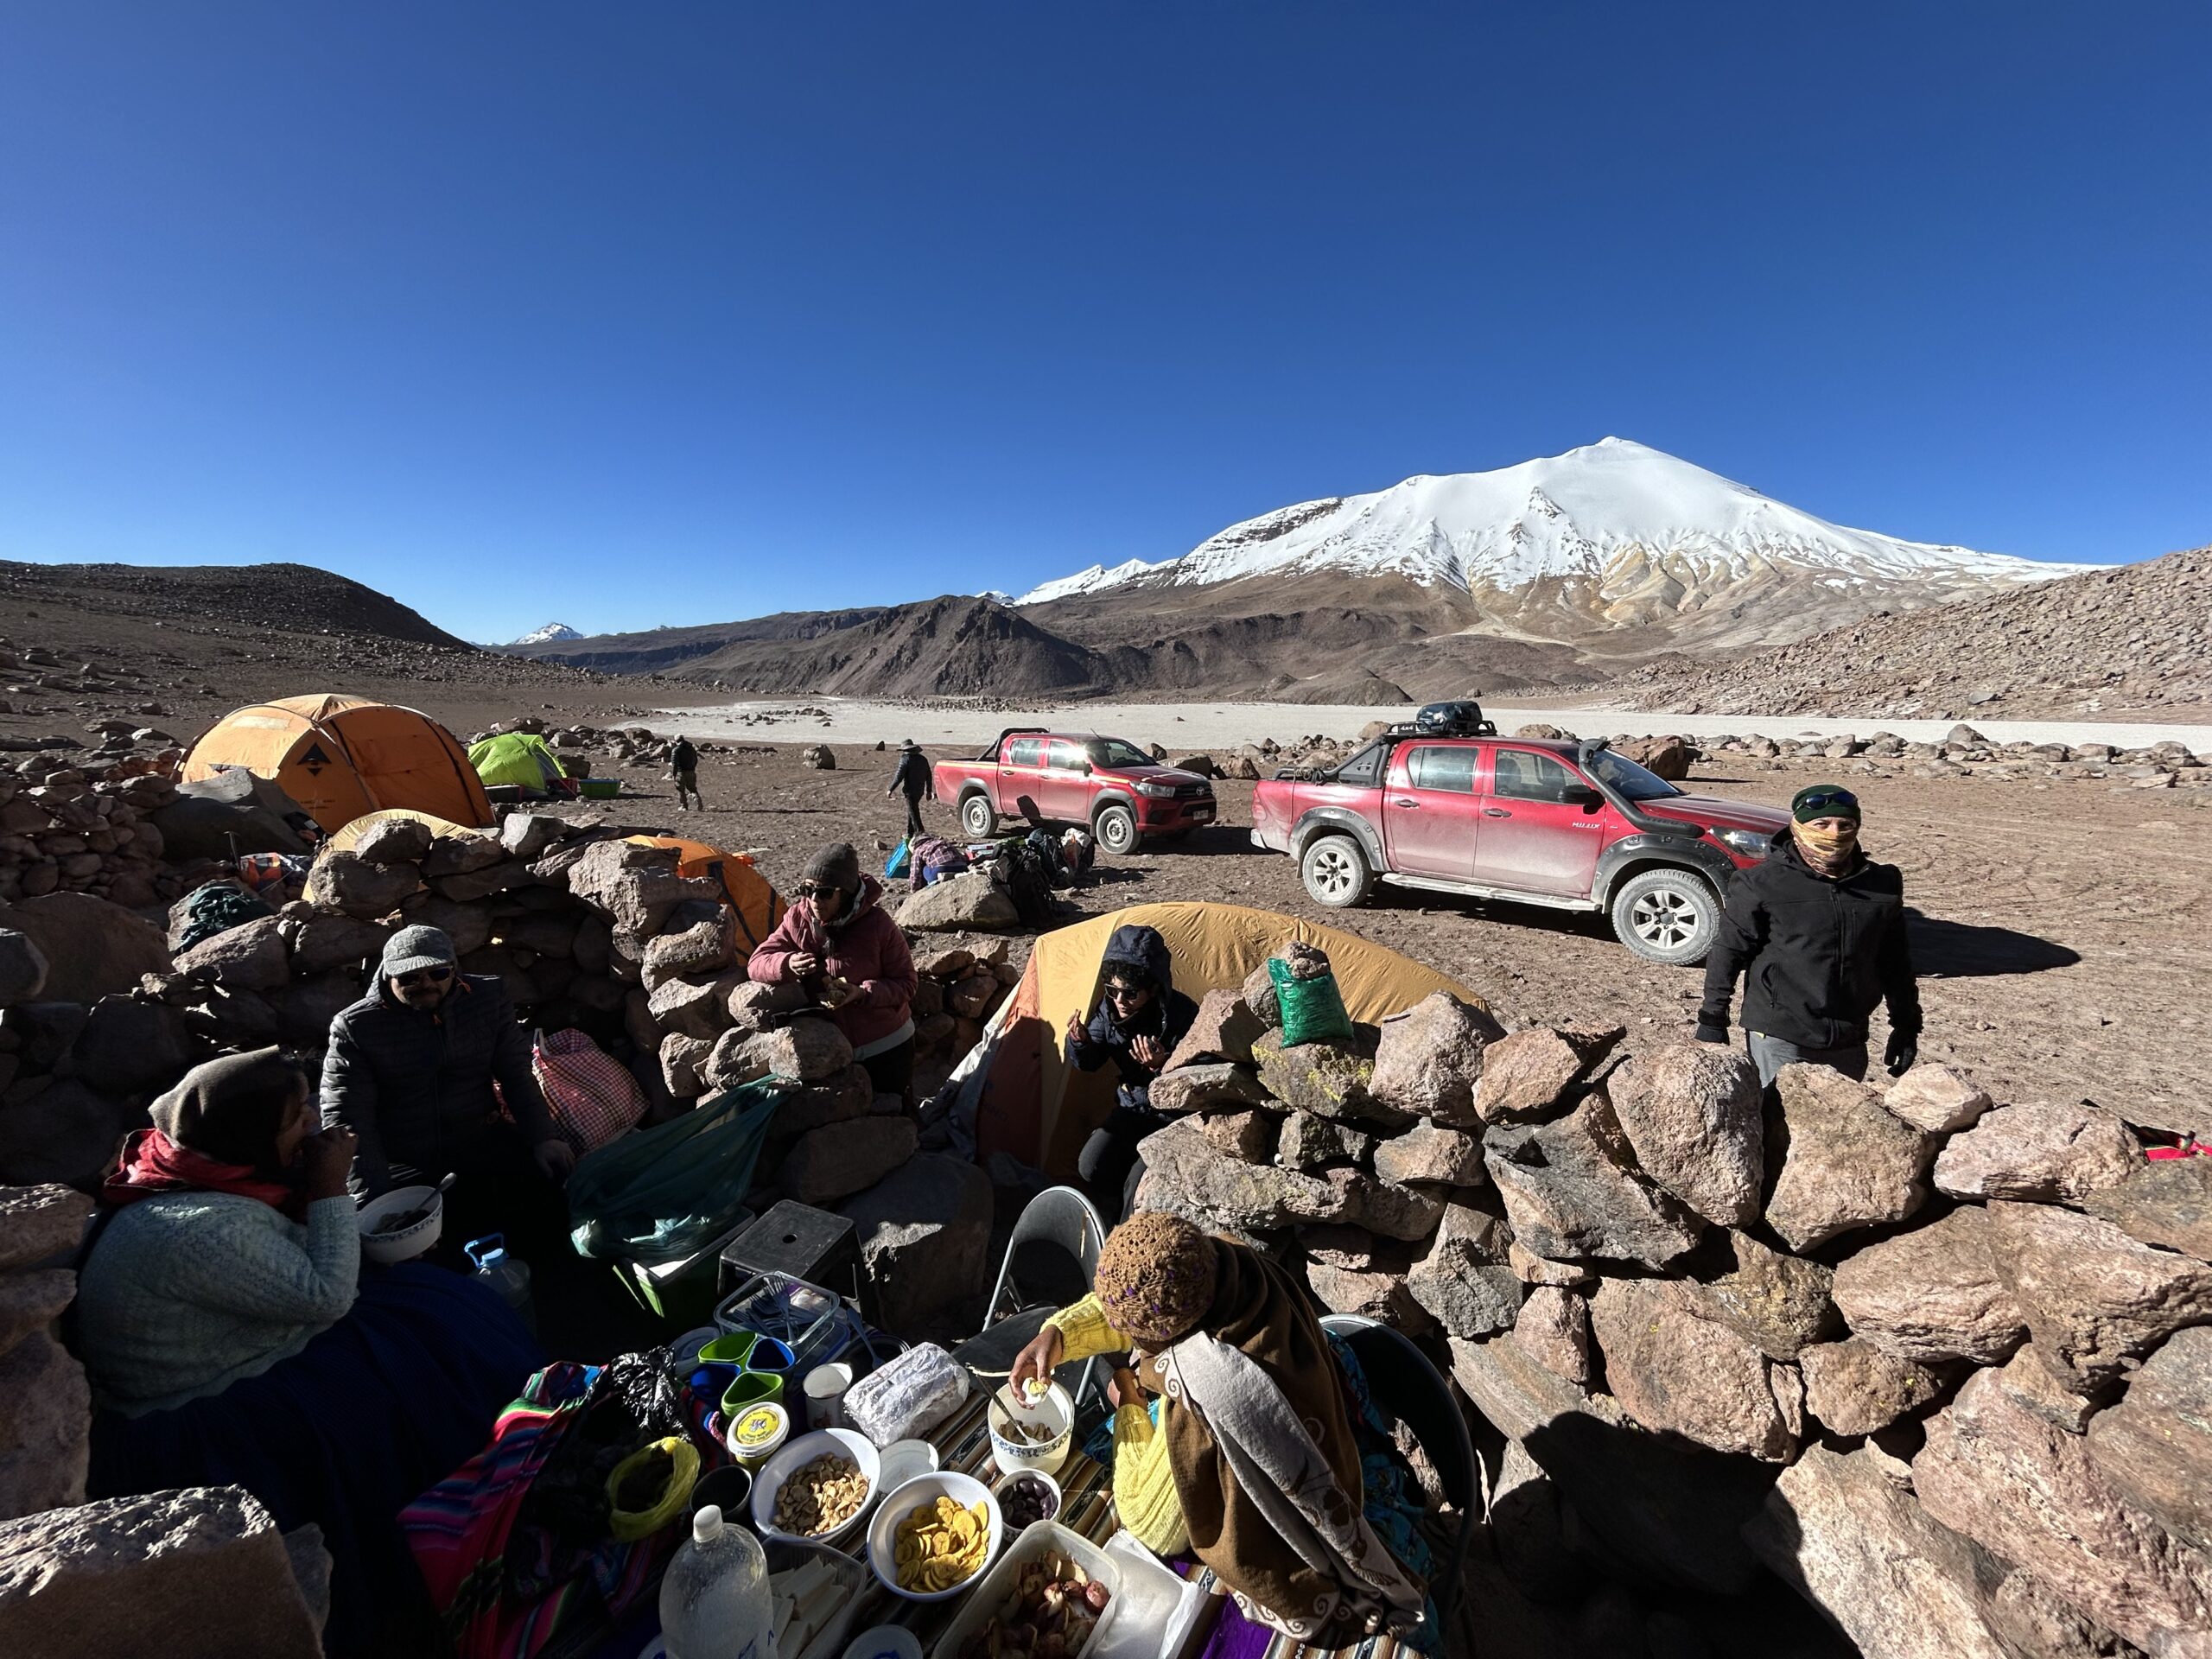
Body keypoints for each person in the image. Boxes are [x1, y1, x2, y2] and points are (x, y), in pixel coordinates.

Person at [77, 1048, 538, 1656]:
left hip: (247, 1340)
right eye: (297, 1119)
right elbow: (327, 1295)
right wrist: (327, 1187)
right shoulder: (197, 1228)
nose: (313, 1128)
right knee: (414, 1363)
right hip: (204, 1408)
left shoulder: (205, 1176)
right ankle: (474, 1513)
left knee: (436, 1307)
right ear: (246, 1134)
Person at [1011, 1212, 1427, 1647]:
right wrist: (1059, 1334)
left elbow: (1150, 1522)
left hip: (1285, 1519)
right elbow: (1136, 1298)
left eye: (1129, 1334)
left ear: (1167, 1336)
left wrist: (1131, 1402)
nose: (1120, 1334)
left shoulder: (1210, 1390)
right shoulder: (1224, 1263)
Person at [321, 926, 577, 1264]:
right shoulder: (357, 1026)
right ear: (387, 976)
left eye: (438, 972)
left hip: (481, 1136)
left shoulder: (487, 997)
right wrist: (376, 1202)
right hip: (407, 1158)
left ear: (454, 970)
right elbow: (350, 1118)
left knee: (548, 1208)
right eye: (410, 977)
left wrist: (542, 1137)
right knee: (433, 1248)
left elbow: (515, 1074)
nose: (426, 983)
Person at [1697, 783, 1923, 1086]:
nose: (1834, 833)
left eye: (1846, 824)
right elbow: (1729, 950)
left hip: (1849, 1036)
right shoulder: (1762, 882)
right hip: (1780, 1032)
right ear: (1799, 827)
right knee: (1776, 1120)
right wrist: (1712, 1019)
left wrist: (1906, 1024)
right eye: (1822, 824)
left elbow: (1894, 961)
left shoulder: (1882, 884)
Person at [748, 841, 918, 1099]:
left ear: (846, 893)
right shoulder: (797, 918)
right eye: (807, 890)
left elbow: (906, 983)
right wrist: (787, 964)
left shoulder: (877, 924)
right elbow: (757, 962)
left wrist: (862, 993)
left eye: (825, 893)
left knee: (893, 1115)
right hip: (832, 1050)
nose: (814, 900)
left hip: (886, 1043)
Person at [1064, 925, 1197, 1217]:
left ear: (1152, 989)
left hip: (1173, 1120)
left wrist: (1166, 1065)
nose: (1120, 1001)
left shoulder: (1183, 1015)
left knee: (1139, 1182)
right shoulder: (1108, 1012)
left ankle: (1126, 1231)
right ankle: (1112, 1214)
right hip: (1133, 1108)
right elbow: (1089, 1062)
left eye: (1130, 993)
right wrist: (1081, 1042)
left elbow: (1205, 1077)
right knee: (1091, 1166)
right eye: (1112, 991)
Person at [886, 738, 934, 839]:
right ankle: (910, 832)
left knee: (913, 812)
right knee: (912, 810)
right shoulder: (923, 759)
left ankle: (920, 832)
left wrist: (891, 789)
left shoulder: (905, 759)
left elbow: (899, 776)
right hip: (919, 790)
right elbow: (928, 775)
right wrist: (929, 791)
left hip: (909, 791)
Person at [671, 734, 703, 811]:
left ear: (676, 741)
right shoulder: (691, 748)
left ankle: (684, 806)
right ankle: (697, 799)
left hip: (680, 772)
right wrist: (692, 768)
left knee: (680, 789)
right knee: (692, 789)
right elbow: (695, 760)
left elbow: (674, 764)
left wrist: (674, 774)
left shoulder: (676, 750)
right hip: (691, 771)